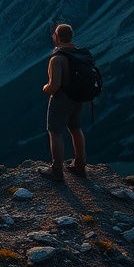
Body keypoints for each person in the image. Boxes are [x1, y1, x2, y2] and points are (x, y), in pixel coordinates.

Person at [38, 23, 87, 182]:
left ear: (57, 37)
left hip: (61, 99)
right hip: (78, 97)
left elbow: (54, 86)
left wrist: (46, 88)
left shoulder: (57, 58)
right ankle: (80, 164)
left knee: (55, 132)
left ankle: (57, 169)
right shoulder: (78, 54)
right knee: (76, 129)